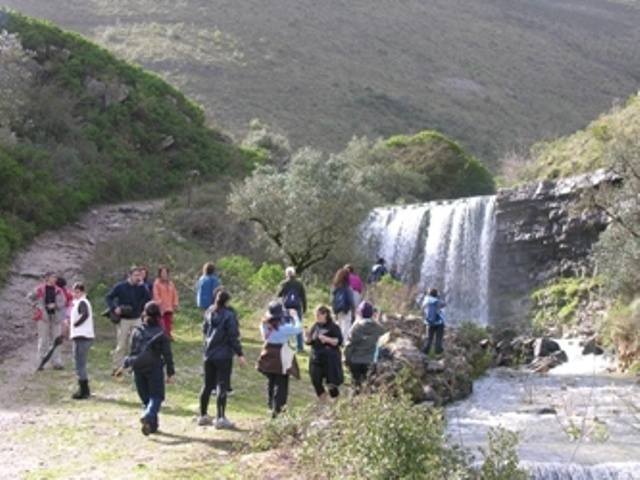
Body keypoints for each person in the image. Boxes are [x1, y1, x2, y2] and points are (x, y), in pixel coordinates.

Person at [124, 301, 175, 435]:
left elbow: (132, 351)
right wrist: (170, 372)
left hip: (138, 368)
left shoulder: (137, 332)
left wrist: (130, 364)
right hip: (154, 368)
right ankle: (148, 415)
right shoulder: (161, 333)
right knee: (156, 396)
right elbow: (167, 354)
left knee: (146, 399)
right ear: (159, 316)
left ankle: (152, 426)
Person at [198, 290, 247, 429]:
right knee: (222, 385)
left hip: (209, 353)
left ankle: (202, 415)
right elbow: (233, 337)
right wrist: (240, 354)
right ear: (227, 302)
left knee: (207, 385)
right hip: (224, 354)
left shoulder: (209, 312)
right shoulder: (229, 316)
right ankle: (220, 417)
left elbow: (204, 330)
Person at [256, 301, 302, 418]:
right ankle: (278, 409)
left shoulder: (264, 326)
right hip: (281, 356)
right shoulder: (284, 328)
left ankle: (271, 405)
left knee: (271, 381)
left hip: (268, 355)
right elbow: (298, 329)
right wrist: (294, 316)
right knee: (282, 383)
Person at [105, 267, 152, 374]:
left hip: (137, 318)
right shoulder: (120, 287)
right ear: (129, 276)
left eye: (139, 275)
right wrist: (114, 307)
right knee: (121, 344)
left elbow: (149, 299)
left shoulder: (140, 287)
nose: (138, 278)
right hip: (124, 319)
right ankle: (117, 366)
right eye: (135, 275)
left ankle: (133, 366)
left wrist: (143, 287)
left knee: (136, 343)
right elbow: (108, 297)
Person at [27, 271, 67, 370]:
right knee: (43, 340)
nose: (55, 279)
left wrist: (56, 305)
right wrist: (36, 306)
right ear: (47, 278)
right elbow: (29, 298)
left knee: (56, 340)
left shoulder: (59, 290)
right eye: (53, 277)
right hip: (43, 318)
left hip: (56, 317)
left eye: (56, 277)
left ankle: (56, 362)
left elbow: (64, 302)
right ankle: (40, 362)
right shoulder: (40, 289)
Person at [305, 305, 344, 403]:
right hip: (316, 357)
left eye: (318, 315)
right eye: (315, 315)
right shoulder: (315, 326)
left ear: (325, 315)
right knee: (315, 380)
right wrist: (308, 337)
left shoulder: (334, 327)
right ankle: (323, 400)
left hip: (330, 358)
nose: (316, 317)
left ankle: (335, 402)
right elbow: (310, 341)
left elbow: (338, 341)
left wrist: (327, 339)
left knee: (331, 383)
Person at [344, 301, 385, 394]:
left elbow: (349, 345)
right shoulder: (379, 328)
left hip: (355, 360)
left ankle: (353, 404)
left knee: (355, 385)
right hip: (371, 361)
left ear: (359, 313)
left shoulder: (356, 327)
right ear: (372, 313)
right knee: (368, 387)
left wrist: (347, 360)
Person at [69, 282, 95, 400]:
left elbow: (85, 314)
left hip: (82, 336)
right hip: (80, 335)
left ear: (83, 292)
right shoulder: (77, 303)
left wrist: (75, 324)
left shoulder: (83, 302)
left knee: (80, 363)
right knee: (79, 363)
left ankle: (84, 389)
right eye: (74, 291)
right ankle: (84, 388)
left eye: (78, 292)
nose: (75, 294)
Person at [276, 266, 307, 352]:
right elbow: (303, 297)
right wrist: (304, 308)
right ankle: (299, 346)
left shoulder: (284, 283)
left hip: (286, 308)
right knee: (298, 327)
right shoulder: (299, 284)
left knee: (285, 326)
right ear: (294, 274)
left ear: (286, 274)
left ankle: (286, 345)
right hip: (297, 308)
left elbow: (279, 294)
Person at [153, 265, 180, 341]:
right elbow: (156, 294)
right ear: (160, 273)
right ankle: (162, 336)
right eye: (162, 272)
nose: (164, 274)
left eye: (165, 272)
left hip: (169, 306)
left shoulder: (171, 283)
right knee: (161, 323)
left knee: (169, 322)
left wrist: (175, 303)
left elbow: (175, 294)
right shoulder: (157, 283)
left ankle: (168, 335)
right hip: (161, 306)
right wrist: (159, 303)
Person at [331, 267, 355, 341]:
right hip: (346, 310)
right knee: (345, 327)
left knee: (338, 325)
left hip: (337, 309)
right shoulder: (348, 288)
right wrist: (353, 310)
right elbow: (351, 300)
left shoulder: (334, 287)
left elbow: (332, 299)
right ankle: (343, 343)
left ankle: (337, 341)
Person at [421, 288, 446, 357]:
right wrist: (439, 297)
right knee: (438, 338)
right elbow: (443, 304)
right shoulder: (437, 301)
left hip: (429, 322)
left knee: (428, 338)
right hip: (439, 323)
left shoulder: (425, 300)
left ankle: (424, 352)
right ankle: (438, 353)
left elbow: (422, 309)